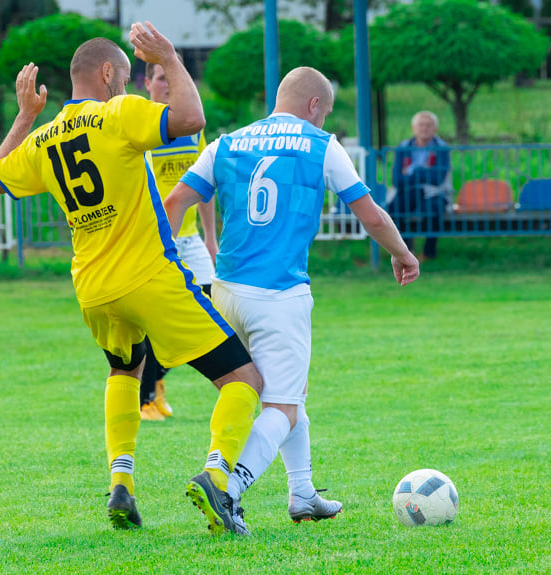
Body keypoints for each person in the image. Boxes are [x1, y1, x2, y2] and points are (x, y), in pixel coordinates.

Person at [0, 22, 262, 536]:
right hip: (147, 277)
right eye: (128, 75)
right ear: (109, 73)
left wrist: (25, 116)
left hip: (92, 289)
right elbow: (191, 118)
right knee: (244, 380)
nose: (130, 84)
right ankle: (216, 476)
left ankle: (123, 486)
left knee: (125, 372)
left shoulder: (45, 138)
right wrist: (172, 58)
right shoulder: (119, 112)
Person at [165, 66, 420, 533]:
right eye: (325, 113)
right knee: (280, 407)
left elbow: (175, 201)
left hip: (224, 292)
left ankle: (302, 494)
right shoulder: (322, 146)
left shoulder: (226, 143)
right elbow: (372, 215)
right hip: (278, 296)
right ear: (315, 106)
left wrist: (165, 262)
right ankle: (227, 491)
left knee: (289, 392)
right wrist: (403, 254)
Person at [138, 59, 217, 422]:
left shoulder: (191, 128)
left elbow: (204, 189)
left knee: (213, 308)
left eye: (171, 77)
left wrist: (211, 239)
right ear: (146, 84)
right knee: (160, 320)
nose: (167, 84)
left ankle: (157, 380)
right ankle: (146, 397)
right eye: (159, 78)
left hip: (189, 239)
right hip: (154, 239)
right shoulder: (140, 128)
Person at [387, 111, 451, 261]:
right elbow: (397, 179)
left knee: (433, 210)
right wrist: (424, 172)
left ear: (435, 129)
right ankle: (405, 251)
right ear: (413, 128)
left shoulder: (442, 148)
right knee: (394, 209)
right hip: (408, 190)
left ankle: (428, 253)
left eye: (429, 125)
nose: (424, 128)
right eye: (421, 125)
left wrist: (413, 172)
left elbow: (438, 178)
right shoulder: (403, 147)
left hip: (435, 192)